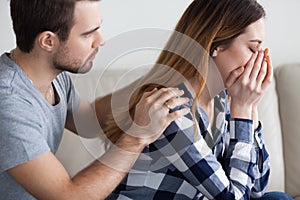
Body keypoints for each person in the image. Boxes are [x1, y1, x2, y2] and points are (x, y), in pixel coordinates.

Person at [0, 0, 190, 199]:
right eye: (88, 33)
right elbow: (70, 197)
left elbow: (90, 124)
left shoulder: (55, 77)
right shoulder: (10, 105)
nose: (100, 40)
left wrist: (156, 78)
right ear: (48, 41)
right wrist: (137, 136)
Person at [104, 0, 293, 199]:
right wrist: (243, 109)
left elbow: (256, 189)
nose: (258, 61)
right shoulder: (173, 110)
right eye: (253, 50)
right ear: (215, 45)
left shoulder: (222, 101)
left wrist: (251, 112)